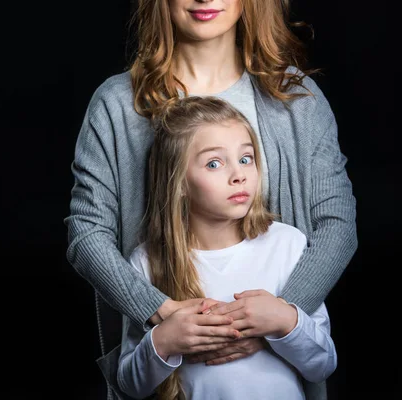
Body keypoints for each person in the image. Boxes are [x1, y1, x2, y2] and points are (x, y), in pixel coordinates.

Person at [64, 0, 357, 399]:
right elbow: (86, 235)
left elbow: (337, 226)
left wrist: (277, 320)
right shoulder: (116, 104)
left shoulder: (296, 97)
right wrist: (161, 313)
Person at [117, 95, 337, 400]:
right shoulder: (146, 262)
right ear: (179, 182)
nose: (239, 175)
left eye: (246, 158)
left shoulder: (287, 244)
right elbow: (129, 384)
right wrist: (164, 341)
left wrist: (286, 321)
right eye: (214, 163)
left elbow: (323, 365)